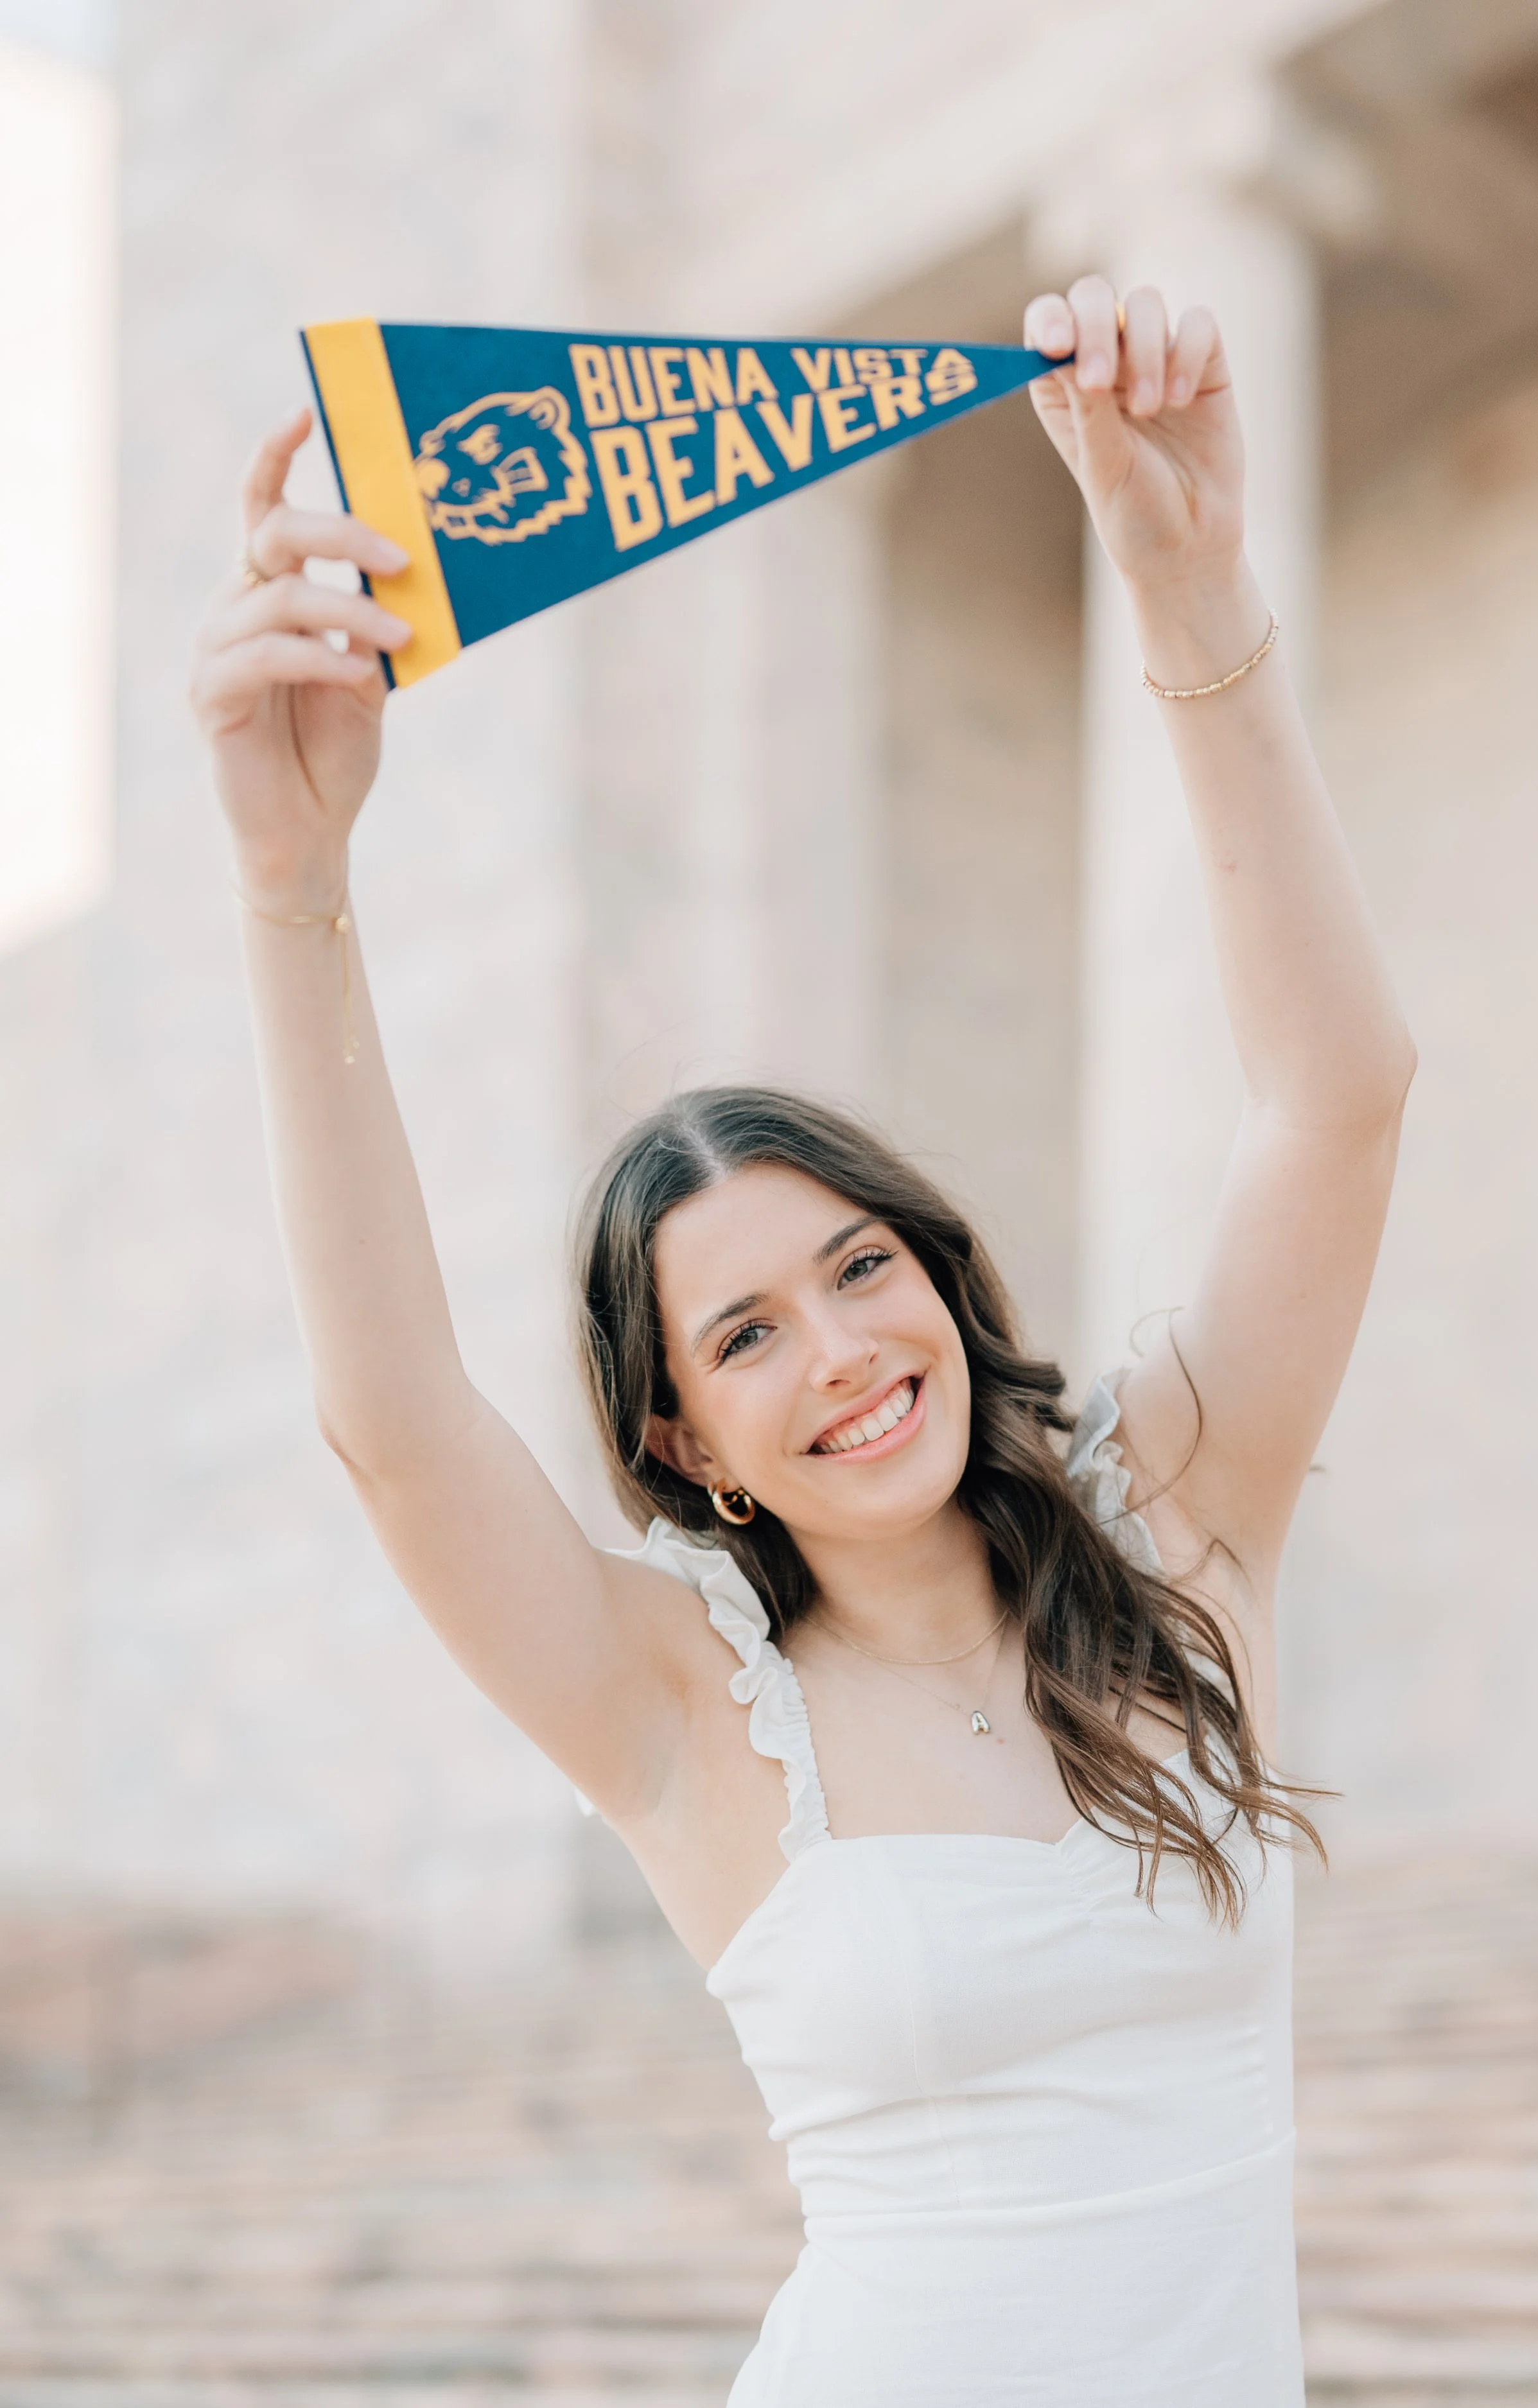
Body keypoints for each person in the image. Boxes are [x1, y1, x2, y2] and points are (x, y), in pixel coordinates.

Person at [191, 277, 1415, 2407]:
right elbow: (391, 1422)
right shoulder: (679, 1704)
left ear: (938, 1274)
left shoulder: (1184, 1532)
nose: (843, 1346)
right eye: (746, 1330)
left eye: (860, 1267)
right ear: (690, 1440)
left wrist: (1189, 586)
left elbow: (1340, 1090)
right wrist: (295, 883)